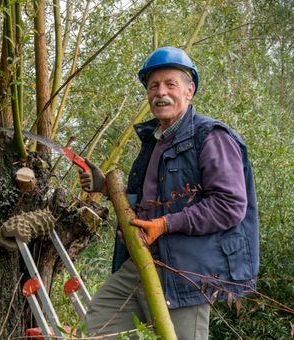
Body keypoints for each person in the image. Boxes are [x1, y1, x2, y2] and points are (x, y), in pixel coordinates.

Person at [79, 46, 260, 339]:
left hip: (184, 272)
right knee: (96, 328)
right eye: (153, 86)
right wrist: (104, 187)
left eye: (170, 84)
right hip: (141, 261)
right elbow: (147, 200)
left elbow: (230, 205)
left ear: (189, 92)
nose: (160, 92)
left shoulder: (211, 137)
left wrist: (164, 225)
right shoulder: (155, 141)